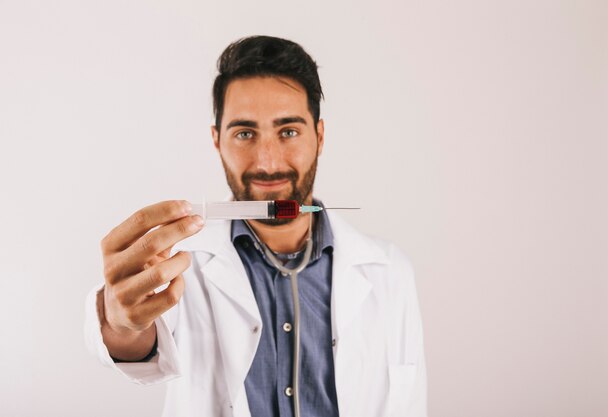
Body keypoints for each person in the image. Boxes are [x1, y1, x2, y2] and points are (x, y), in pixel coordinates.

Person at [85, 35, 427, 417]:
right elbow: (135, 345)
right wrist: (122, 322)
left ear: (320, 136)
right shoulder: (178, 264)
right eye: (245, 133)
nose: (267, 163)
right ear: (217, 141)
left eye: (289, 131)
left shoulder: (390, 271)